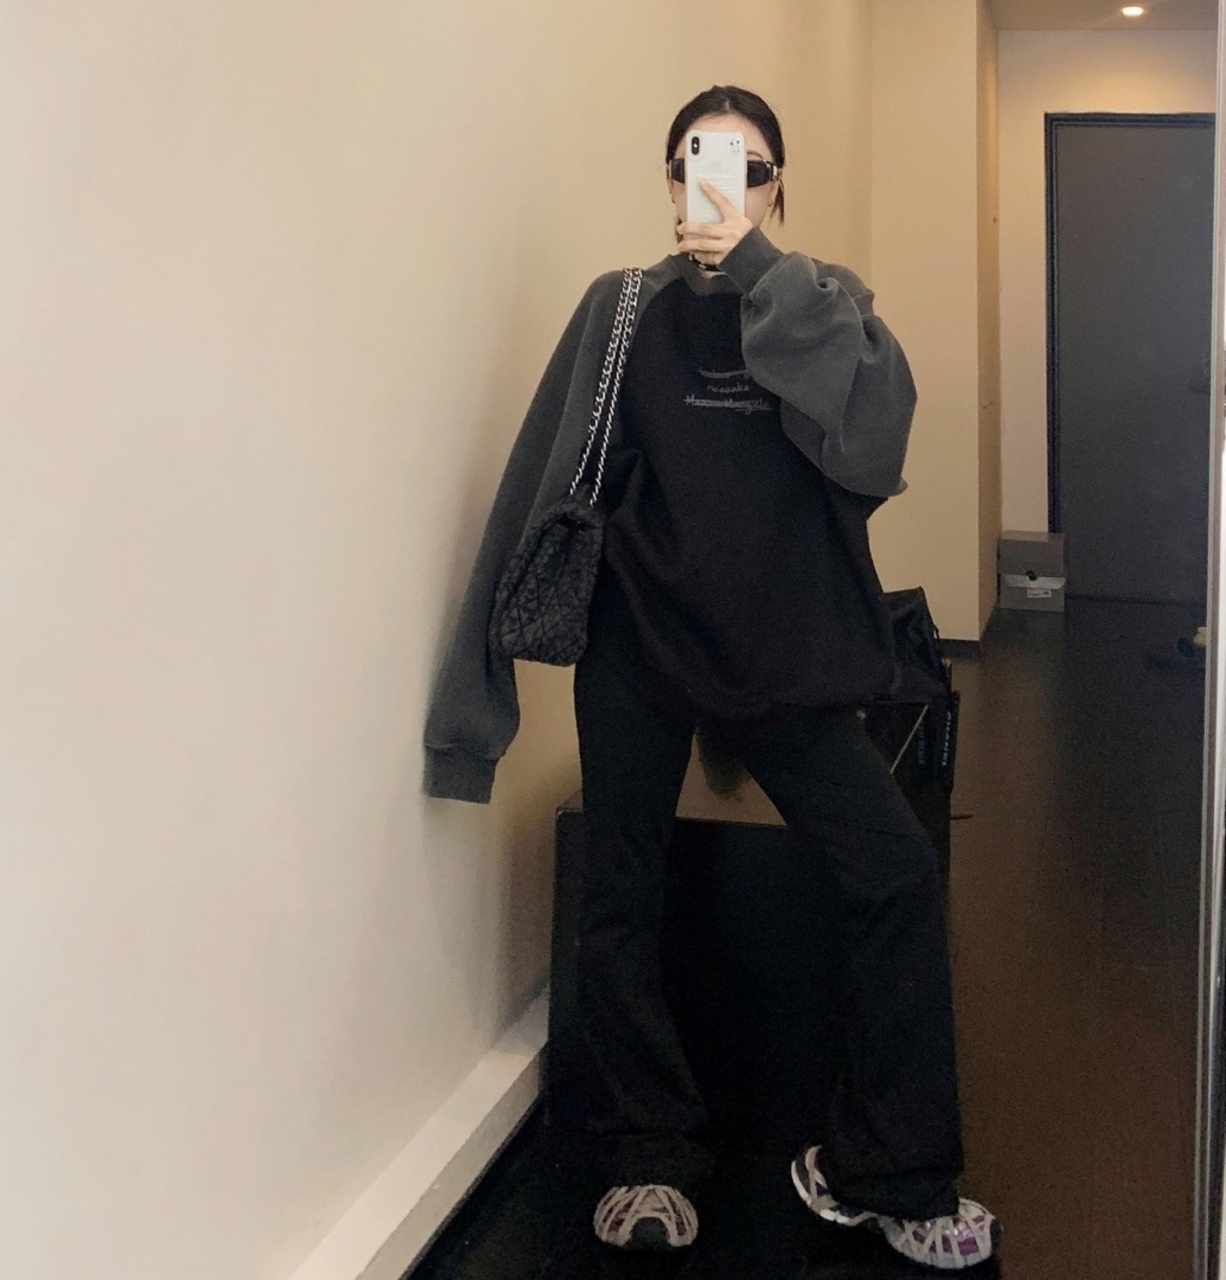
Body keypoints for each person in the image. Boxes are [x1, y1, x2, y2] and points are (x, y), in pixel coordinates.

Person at [423, 85, 1000, 1271]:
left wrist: (758, 272)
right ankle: (648, 1151)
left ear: (778, 187)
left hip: (782, 657)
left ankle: (883, 1168)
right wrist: (469, 713)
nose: (721, 185)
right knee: (620, 894)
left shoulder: (826, 302)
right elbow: (537, 483)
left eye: (749, 165)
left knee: (892, 874)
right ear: (668, 176)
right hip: (636, 648)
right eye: (699, 160)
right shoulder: (620, 311)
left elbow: (873, 447)